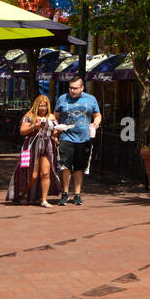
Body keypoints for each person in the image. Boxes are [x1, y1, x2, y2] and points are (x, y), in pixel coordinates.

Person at [5, 94, 65, 206]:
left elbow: (54, 131)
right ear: (36, 106)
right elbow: (22, 131)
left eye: (45, 106)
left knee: (46, 173)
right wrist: (34, 126)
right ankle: (25, 194)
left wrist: (58, 131)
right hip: (32, 146)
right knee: (32, 174)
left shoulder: (51, 117)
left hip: (47, 146)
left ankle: (44, 199)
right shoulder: (29, 116)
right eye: (41, 106)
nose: (43, 108)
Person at [54, 75, 102, 206]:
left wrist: (96, 123)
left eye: (75, 88)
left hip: (83, 138)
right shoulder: (62, 99)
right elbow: (55, 116)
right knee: (65, 166)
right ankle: (64, 194)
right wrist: (56, 129)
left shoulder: (91, 99)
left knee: (79, 167)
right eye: (70, 88)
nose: (72, 91)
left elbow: (97, 115)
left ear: (82, 88)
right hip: (66, 137)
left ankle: (77, 194)